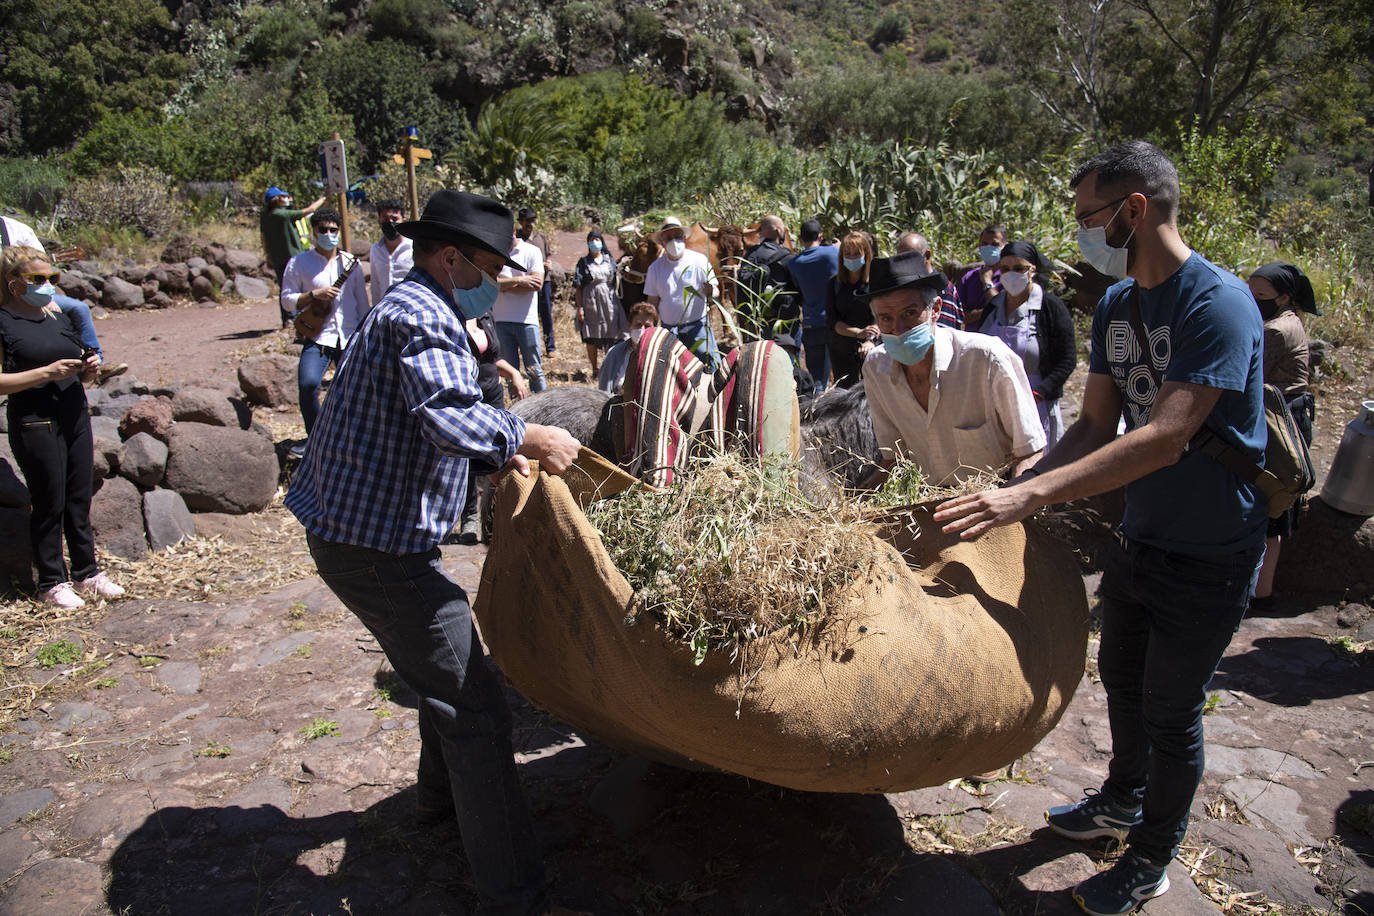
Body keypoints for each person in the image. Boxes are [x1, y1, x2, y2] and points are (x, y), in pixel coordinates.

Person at [934, 141, 1268, 916]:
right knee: (1121, 680)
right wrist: (1018, 486)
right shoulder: (1119, 305)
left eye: (1089, 217)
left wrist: (1029, 499)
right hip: (1140, 536)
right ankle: (1121, 801)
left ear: (1135, 210)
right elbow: (1094, 426)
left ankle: (1151, 858)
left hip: (1211, 547)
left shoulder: (1215, 303)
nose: (1082, 232)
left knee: (1172, 711)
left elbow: (1166, 436)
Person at [283, 190, 582, 916]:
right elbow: (447, 416)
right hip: (371, 545)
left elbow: (436, 413)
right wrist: (525, 437)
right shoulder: (419, 313)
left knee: (442, 667)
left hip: (365, 531)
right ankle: (514, 891)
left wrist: (497, 443)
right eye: (488, 265)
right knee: (476, 703)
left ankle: (437, 806)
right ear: (450, 258)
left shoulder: (423, 308)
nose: (498, 280)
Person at [0, 245, 124, 609]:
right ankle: (51, 581)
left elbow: (76, 363)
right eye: (37, 279)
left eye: (52, 278)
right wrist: (46, 373)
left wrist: (89, 368)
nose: (48, 285)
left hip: (73, 410)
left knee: (77, 497)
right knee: (48, 500)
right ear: (13, 283)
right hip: (34, 419)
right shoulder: (3, 321)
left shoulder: (57, 315)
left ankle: (88, 573)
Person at [860, 250, 1045, 487]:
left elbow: (1030, 452)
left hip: (993, 496)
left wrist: (1011, 501)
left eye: (910, 313)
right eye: (885, 318)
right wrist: (854, 503)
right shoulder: (877, 370)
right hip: (927, 506)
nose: (898, 328)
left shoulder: (986, 360)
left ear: (936, 309)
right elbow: (895, 459)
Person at [1247, 261, 1317, 605]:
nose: (1252, 298)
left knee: (1273, 504)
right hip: (1286, 412)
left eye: (1260, 294)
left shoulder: (1277, 330)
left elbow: (1248, 372)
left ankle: (1261, 593)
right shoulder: (1284, 321)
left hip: (1281, 417)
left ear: (1284, 297)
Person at [280, 208, 369, 457]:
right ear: (314, 232)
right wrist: (312, 295)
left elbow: (361, 302)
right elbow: (286, 300)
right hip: (319, 336)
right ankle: (317, 437)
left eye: (333, 230)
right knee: (308, 384)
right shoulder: (299, 263)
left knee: (355, 392)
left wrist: (364, 334)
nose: (328, 234)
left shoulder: (350, 263)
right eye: (323, 230)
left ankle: (353, 441)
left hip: (349, 335)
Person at [973, 240, 1077, 450]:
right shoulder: (993, 307)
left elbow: (1067, 359)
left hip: (1036, 405)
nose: (1011, 274)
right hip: (994, 407)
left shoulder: (1050, 307)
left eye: (1018, 268)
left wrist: (1040, 393)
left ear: (1032, 270)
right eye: (1005, 269)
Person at [0, 215, 125, 383]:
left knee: (78, 308)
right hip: (8, 294)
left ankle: (94, 363)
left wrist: (47, 296)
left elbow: (40, 265)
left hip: (24, 290)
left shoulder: (14, 228)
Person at [453, 310, 529, 545]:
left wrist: (514, 373)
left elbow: (493, 358)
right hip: (467, 398)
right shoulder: (450, 317)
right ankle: (470, 517)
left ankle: (496, 515)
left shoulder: (485, 316)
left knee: (498, 457)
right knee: (466, 460)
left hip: (492, 393)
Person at [643, 216, 720, 370]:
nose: (674, 241)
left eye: (677, 236)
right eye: (669, 238)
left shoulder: (699, 260)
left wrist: (711, 291)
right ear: (662, 242)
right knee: (673, 371)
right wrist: (650, 327)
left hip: (698, 326)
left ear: (684, 238)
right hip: (670, 330)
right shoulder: (655, 268)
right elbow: (652, 301)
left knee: (711, 366)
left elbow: (715, 289)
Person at [259, 186, 327, 327]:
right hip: (292, 257)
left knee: (284, 288)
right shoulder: (282, 214)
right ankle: (296, 317)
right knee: (299, 288)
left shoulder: (265, 216)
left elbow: (263, 237)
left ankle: (287, 319)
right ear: (276, 200)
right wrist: (323, 198)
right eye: (283, 197)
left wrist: (266, 254)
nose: (286, 199)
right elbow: (309, 210)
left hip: (276, 257)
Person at [785, 219, 838, 391]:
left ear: (800, 239)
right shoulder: (832, 253)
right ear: (821, 236)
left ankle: (817, 413)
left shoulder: (794, 264)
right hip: (835, 324)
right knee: (840, 377)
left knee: (817, 381)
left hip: (810, 324)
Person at [492, 229, 547, 393]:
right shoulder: (495, 251)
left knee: (534, 370)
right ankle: (516, 411)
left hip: (526, 320)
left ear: (514, 230)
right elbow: (491, 284)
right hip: (500, 319)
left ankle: (542, 405)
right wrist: (521, 279)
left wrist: (505, 285)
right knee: (510, 371)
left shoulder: (531, 251)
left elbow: (537, 284)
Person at [572, 229, 627, 374]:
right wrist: (580, 308)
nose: (594, 243)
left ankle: (609, 367)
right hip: (591, 301)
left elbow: (616, 278)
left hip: (609, 300)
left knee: (611, 333)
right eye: (591, 240)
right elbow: (578, 287)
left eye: (597, 239)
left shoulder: (610, 260)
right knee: (591, 335)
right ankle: (595, 368)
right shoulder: (583, 263)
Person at [827, 231, 877, 389]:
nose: (852, 257)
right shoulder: (834, 283)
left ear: (866, 254)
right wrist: (857, 332)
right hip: (842, 349)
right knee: (845, 394)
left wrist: (870, 339)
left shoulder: (876, 282)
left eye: (856, 254)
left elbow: (881, 316)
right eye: (847, 254)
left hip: (871, 348)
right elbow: (832, 321)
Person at [736, 215, 795, 340]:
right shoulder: (785, 256)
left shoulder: (750, 255)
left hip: (756, 322)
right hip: (782, 320)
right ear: (778, 230)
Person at [896, 231, 965, 328]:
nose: (905, 264)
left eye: (910, 257)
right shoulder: (906, 286)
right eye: (900, 259)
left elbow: (942, 330)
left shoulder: (942, 288)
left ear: (927, 256)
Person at [517, 208, 557, 356]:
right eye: (527, 221)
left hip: (544, 280)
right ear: (521, 222)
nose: (530, 224)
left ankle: (550, 346)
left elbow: (548, 256)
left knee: (546, 312)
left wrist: (548, 264)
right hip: (527, 282)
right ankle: (529, 348)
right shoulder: (518, 239)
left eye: (532, 221)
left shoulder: (541, 237)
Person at [598, 301, 660, 393]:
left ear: (654, 328)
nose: (642, 329)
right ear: (629, 326)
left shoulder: (661, 356)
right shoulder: (614, 353)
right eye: (638, 325)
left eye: (647, 326)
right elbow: (604, 389)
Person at [958, 224, 1007, 328]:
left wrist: (987, 281)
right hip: (972, 341)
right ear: (979, 247)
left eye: (995, 244)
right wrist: (987, 311)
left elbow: (1003, 311)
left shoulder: (1009, 277)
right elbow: (960, 316)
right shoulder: (969, 278)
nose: (989, 248)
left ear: (1004, 247)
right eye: (985, 244)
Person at [369, 199, 413, 307]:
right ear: (379, 222)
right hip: (385, 312)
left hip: (410, 310)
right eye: (385, 219)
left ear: (403, 220)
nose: (390, 222)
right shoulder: (375, 250)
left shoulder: (413, 248)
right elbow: (375, 286)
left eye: (394, 218)